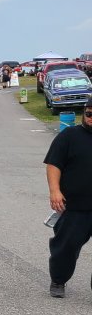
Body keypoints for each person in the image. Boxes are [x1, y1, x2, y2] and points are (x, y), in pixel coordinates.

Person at [43, 98, 92, 297]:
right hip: (74, 205)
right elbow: (54, 164)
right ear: (83, 113)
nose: (91, 118)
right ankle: (58, 279)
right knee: (66, 247)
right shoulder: (69, 136)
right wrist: (55, 191)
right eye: (89, 113)